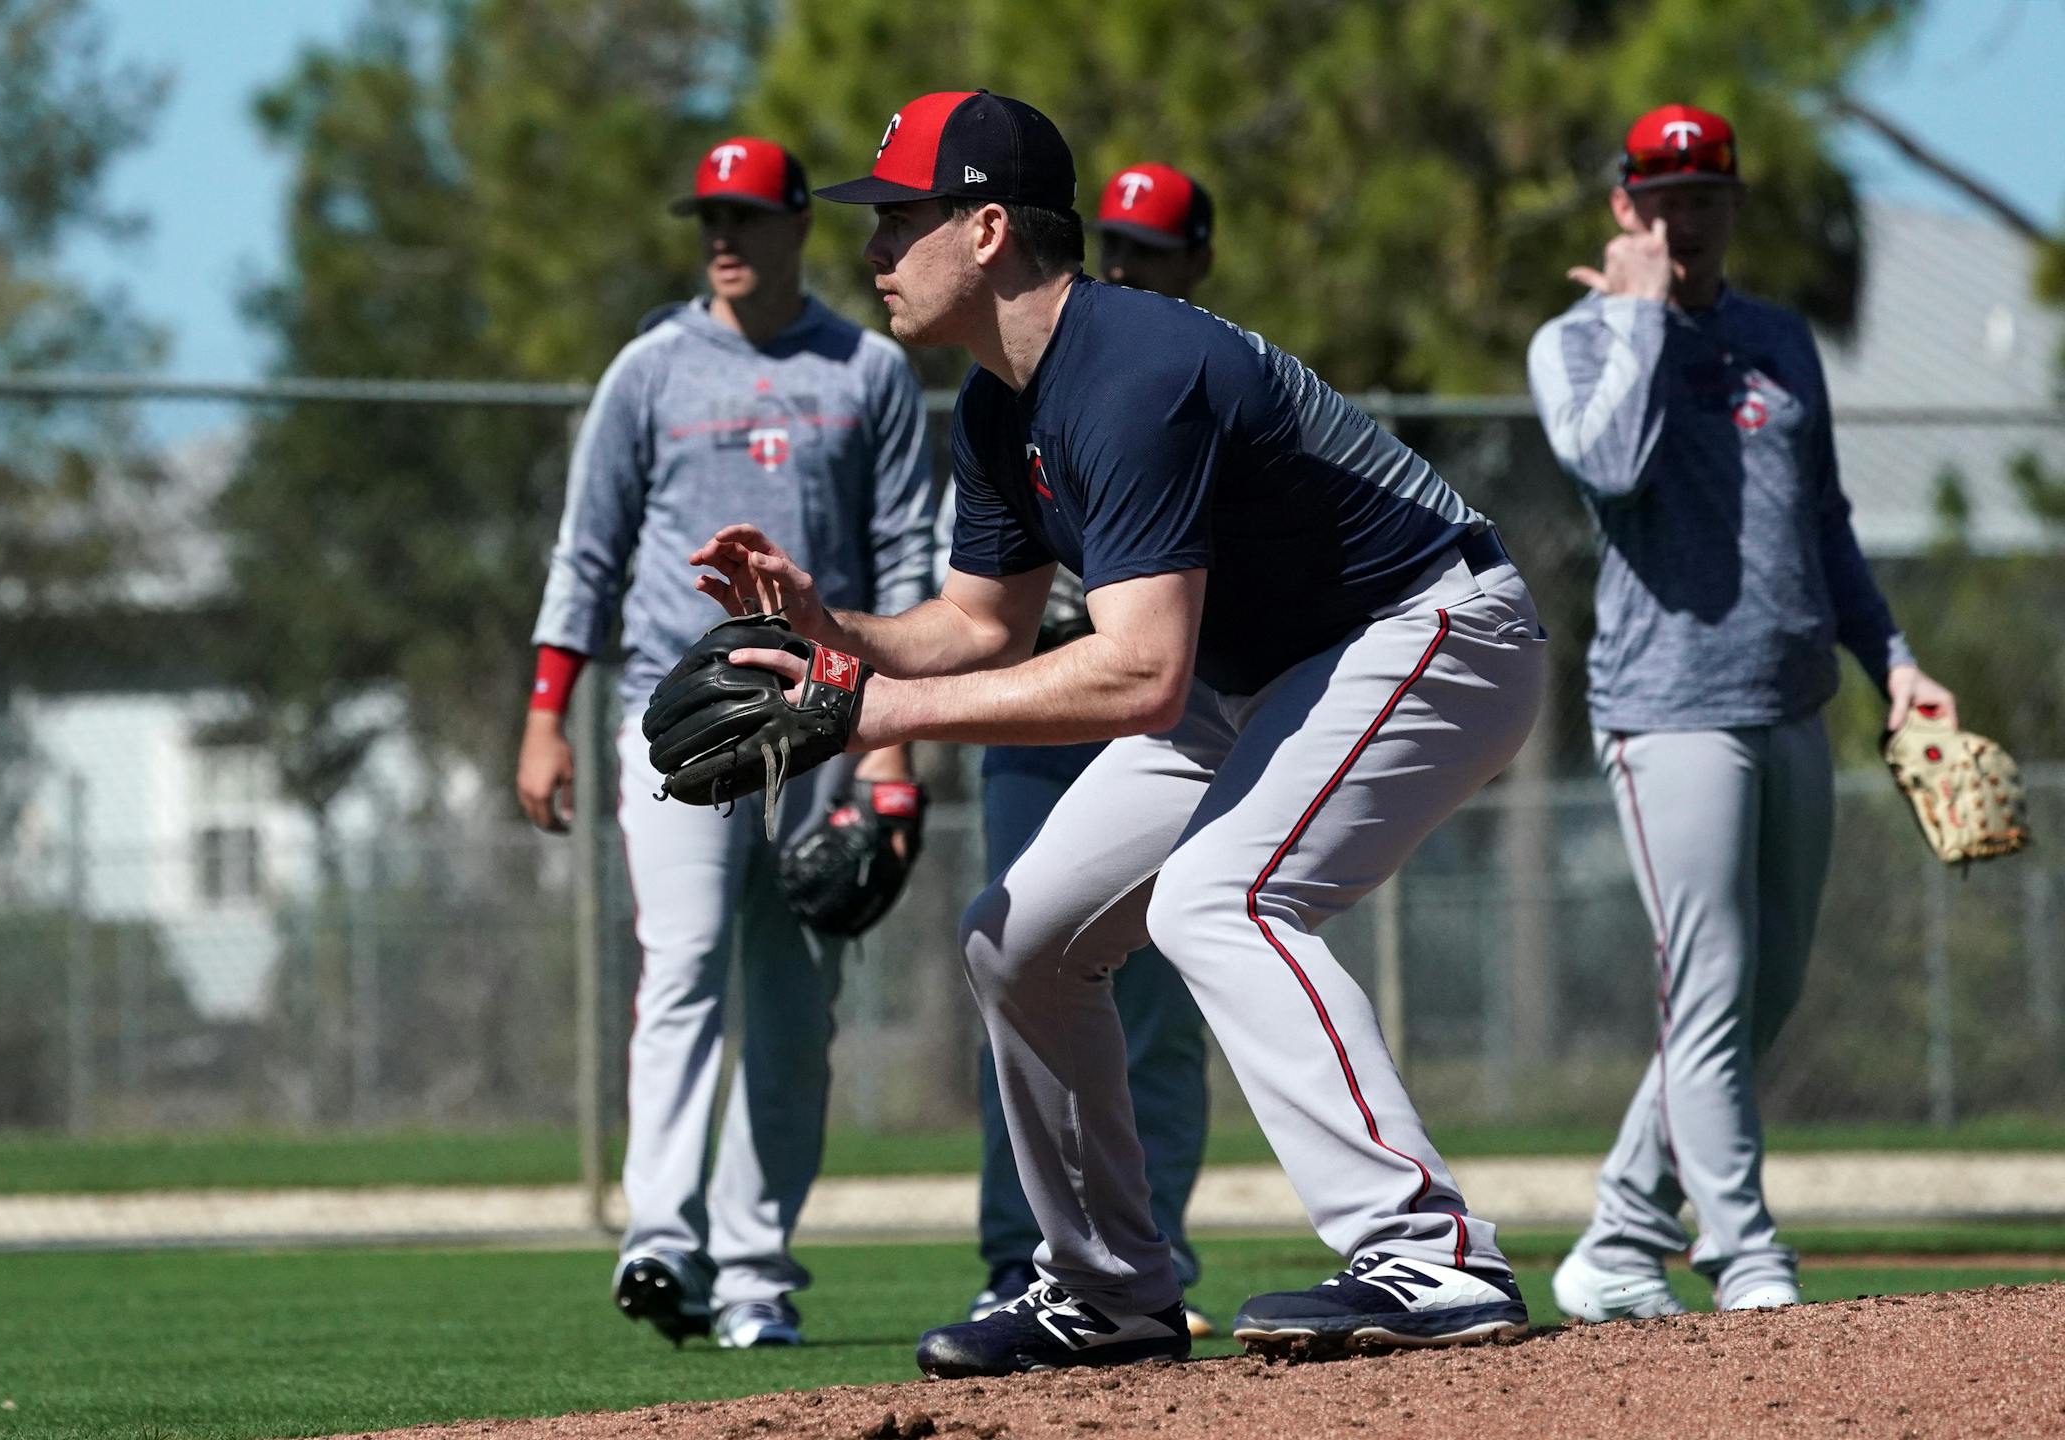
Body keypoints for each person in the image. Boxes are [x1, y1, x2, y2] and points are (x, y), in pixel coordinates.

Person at [687, 90, 1547, 1376]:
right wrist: (836, 634)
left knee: (1222, 897)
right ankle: (1108, 1292)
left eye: (897, 221)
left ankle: (1431, 1253)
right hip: (1249, 674)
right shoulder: (995, 404)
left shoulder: (1134, 370)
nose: (871, 250)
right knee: (1017, 940)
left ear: (985, 231)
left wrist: (873, 711)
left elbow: (1139, 674)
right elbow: (983, 628)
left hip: (1430, 629)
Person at [1526, 104, 1957, 1321]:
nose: (1684, 215)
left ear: (1733, 205)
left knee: (1760, 990)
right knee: (1708, 981)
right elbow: (1609, 465)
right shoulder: (1575, 343)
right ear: (1624, 209)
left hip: (1792, 701)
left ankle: (1616, 1234)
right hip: (1671, 711)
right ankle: (1746, 1252)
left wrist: (1898, 662)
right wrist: (1638, 315)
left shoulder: (1779, 341)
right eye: (1660, 196)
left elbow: (1825, 523)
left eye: (1705, 193)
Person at [516, 135, 933, 1350]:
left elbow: (907, 557)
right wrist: (547, 712)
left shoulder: (868, 372)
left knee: (798, 1008)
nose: (724, 237)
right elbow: (585, 553)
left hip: (823, 715)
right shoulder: (649, 370)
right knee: (685, 960)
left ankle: (754, 1273)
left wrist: (891, 755)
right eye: (711, 217)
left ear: (801, 225)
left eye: (748, 217)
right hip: (677, 715)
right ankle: (661, 1237)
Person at [957, 161, 1218, 1334]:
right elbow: (973, 604)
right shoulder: (1015, 386)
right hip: (1037, 707)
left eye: (1156, 249)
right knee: (1018, 949)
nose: (1131, 266)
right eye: (1118, 244)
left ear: (1196, 261)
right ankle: (1025, 1259)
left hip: (1161, 697)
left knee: (1164, 990)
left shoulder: (1178, 372)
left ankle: (1143, 1250)